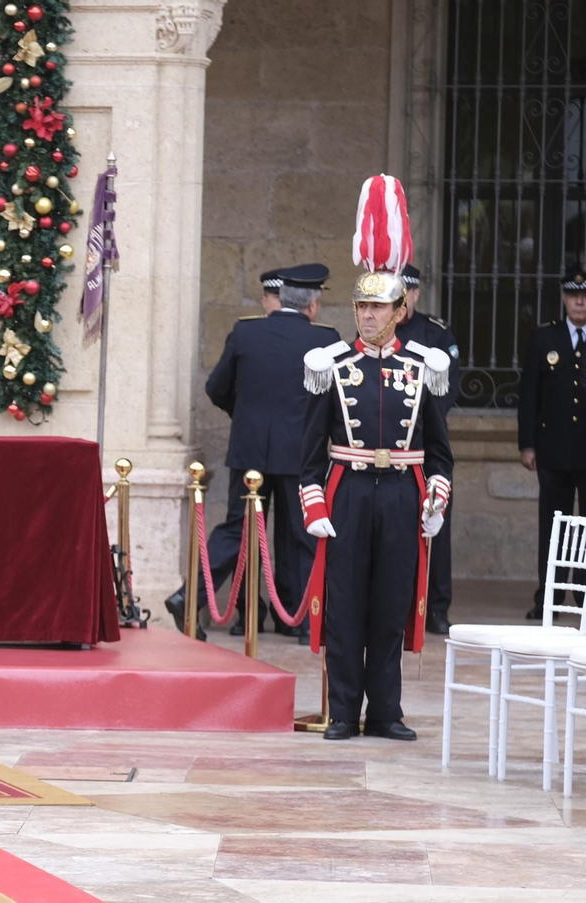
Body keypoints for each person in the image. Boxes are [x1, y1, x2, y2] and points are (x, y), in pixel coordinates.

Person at [300, 178, 451, 742]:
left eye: (377, 306)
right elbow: (310, 452)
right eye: (360, 305)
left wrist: (435, 498)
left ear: (399, 309)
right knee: (345, 607)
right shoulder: (331, 364)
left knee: (390, 605)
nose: (366, 315)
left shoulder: (423, 366)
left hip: (401, 494)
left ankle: (385, 711)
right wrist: (314, 503)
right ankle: (343, 711)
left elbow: (439, 453)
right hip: (349, 492)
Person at [165, 265, 341, 644]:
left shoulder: (246, 331)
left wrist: (245, 415)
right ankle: (305, 621)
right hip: (301, 453)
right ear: (311, 305)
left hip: (250, 451)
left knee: (235, 530)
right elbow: (337, 401)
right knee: (303, 533)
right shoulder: (326, 340)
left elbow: (217, 388)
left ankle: (187, 595)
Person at [518, 272, 586, 620]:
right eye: (574, 295)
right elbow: (529, 393)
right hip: (554, 449)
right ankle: (549, 595)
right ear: (563, 298)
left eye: (585, 295)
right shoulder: (545, 337)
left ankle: (584, 596)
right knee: (553, 524)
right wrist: (527, 443)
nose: (580, 302)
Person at [395, 264, 460, 634]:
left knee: (437, 522)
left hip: (425, 440)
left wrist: (422, 416)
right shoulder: (374, 330)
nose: (401, 299)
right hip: (390, 446)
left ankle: (436, 607)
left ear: (416, 294)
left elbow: (449, 384)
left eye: (407, 291)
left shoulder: (435, 331)